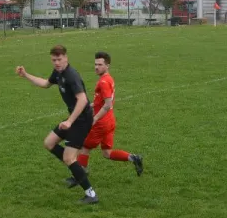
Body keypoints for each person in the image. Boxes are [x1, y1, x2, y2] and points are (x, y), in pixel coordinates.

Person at [16, 45, 99, 204]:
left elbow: (82, 100)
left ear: (66, 58)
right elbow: (45, 84)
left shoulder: (71, 75)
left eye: (59, 59)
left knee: (69, 158)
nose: (57, 63)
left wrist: (69, 121)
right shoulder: (58, 72)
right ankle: (78, 171)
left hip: (82, 120)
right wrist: (25, 75)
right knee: (49, 143)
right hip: (74, 118)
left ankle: (91, 194)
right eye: (54, 60)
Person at [65, 51, 143, 188]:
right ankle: (133, 158)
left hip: (101, 123)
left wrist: (94, 118)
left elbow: (107, 104)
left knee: (84, 147)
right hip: (110, 121)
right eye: (95, 64)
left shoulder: (103, 82)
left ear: (107, 66)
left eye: (100, 64)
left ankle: (79, 175)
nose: (96, 67)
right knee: (107, 153)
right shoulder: (109, 79)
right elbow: (102, 101)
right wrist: (89, 106)